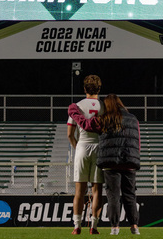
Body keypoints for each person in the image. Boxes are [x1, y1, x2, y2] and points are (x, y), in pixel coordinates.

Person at [68, 94, 140, 235]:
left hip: (111, 163)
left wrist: (73, 110)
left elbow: (86, 125)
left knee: (113, 196)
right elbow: (138, 141)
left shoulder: (105, 119)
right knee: (130, 196)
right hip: (130, 162)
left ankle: (115, 228)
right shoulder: (133, 118)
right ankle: (134, 226)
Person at [67, 75, 104, 235]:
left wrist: (78, 148)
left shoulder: (77, 106)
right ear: (99, 88)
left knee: (79, 191)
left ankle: (77, 226)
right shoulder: (104, 106)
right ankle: (94, 227)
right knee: (97, 190)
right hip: (98, 147)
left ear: (84, 89)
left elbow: (69, 134)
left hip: (82, 146)